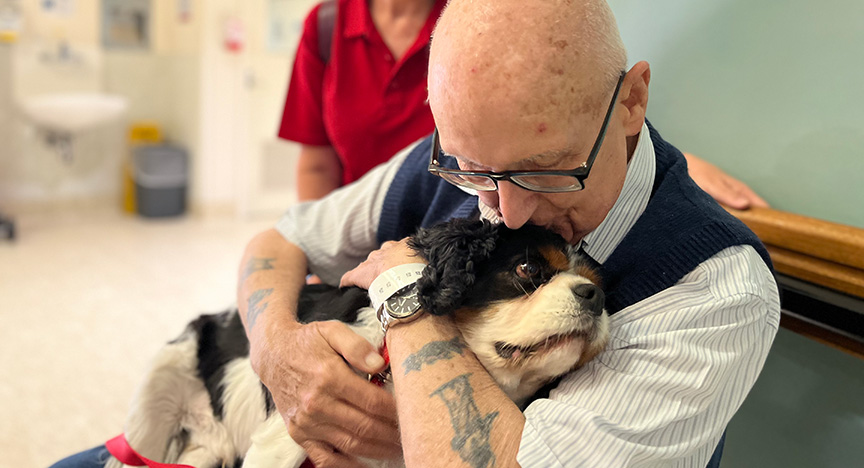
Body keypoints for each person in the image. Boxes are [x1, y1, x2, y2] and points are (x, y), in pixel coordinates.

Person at [241, 0, 780, 467]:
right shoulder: (444, 163)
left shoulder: (717, 289)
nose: (508, 212)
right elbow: (282, 240)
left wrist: (405, 292)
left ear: (632, 102)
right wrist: (275, 349)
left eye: (545, 170)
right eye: (472, 170)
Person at [280, 0, 769, 209]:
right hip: (378, 214)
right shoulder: (326, 26)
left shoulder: (481, 20)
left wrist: (663, 161)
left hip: (472, 215)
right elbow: (317, 164)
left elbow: (568, 103)